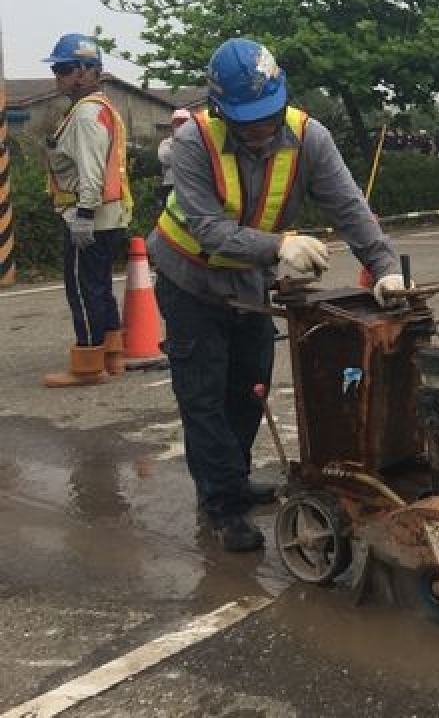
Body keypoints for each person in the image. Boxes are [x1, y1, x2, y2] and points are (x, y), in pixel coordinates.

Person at [148, 37, 410, 552]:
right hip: (190, 280)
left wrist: (382, 267)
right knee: (203, 396)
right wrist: (279, 246)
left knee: (250, 388)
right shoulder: (193, 141)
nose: (259, 127)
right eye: (246, 118)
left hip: (248, 282)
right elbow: (206, 227)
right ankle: (223, 504)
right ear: (219, 106)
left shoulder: (308, 135)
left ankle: (233, 478)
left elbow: (349, 206)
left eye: (267, 114)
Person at [41, 33, 133, 387]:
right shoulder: (104, 107)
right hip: (108, 214)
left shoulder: (87, 113)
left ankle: (88, 365)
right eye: (58, 69)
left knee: (83, 289)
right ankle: (112, 356)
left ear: (86, 70)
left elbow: (92, 171)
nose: (59, 77)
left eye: (64, 69)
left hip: (90, 215)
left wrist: (82, 215)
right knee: (98, 286)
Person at [157, 108, 192, 210]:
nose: (181, 125)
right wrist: (178, 143)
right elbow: (164, 157)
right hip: (170, 185)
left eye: (184, 122)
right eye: (178, 122)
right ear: (173, 125)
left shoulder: (196, 143)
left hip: (189, 185)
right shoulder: (166, 143)